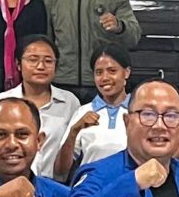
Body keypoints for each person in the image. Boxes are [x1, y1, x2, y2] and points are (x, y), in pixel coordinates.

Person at [0, 34, 80, 177]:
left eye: (48, 61)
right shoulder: (0, 103)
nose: (41, 66)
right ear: (18, 64)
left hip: (55, 183)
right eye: (33, 60)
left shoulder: (70, 102)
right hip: (9, 181)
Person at [53, 41, 134, 180]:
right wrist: (73, 132)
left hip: (129, 188)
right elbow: (60, 171)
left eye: (112, 71)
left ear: (126, 72)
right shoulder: (82, 112)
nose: (105, 78)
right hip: (89, 189)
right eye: (98, 72)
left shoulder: (139, 111)